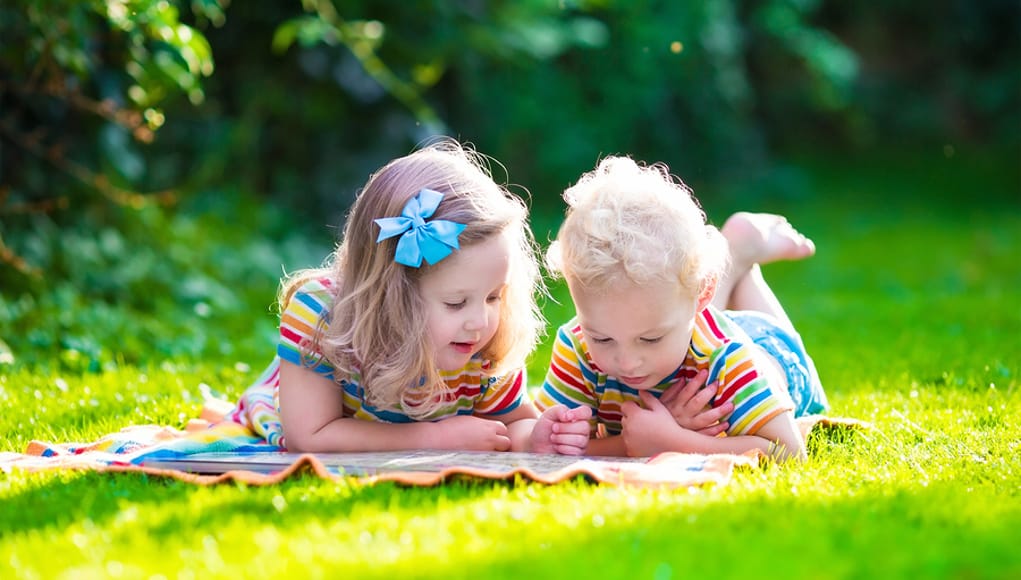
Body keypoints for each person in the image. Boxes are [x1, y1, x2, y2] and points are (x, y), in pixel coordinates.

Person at [218, 139, 591, 454]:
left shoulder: (479, 348)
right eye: (455, 302)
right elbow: (310, 436)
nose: (480, 321)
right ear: (391, 295)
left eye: (493, 297)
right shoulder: (322, 317)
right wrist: (435, 437)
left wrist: (537, 436)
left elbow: (511, 425)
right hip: (300, 399)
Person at [535, 155, 829, 461]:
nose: (627, 362)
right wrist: (558, 436)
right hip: (692, 328)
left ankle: (739, 255)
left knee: (704, 312)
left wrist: (674, 441)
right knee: (678, 300)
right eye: (603, 339)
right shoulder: (578, 343)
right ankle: (737, 253)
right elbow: (544, 442)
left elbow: (790, 452)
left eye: (650, 339)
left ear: (704, 296)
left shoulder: (728, 359)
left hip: (773, 351)